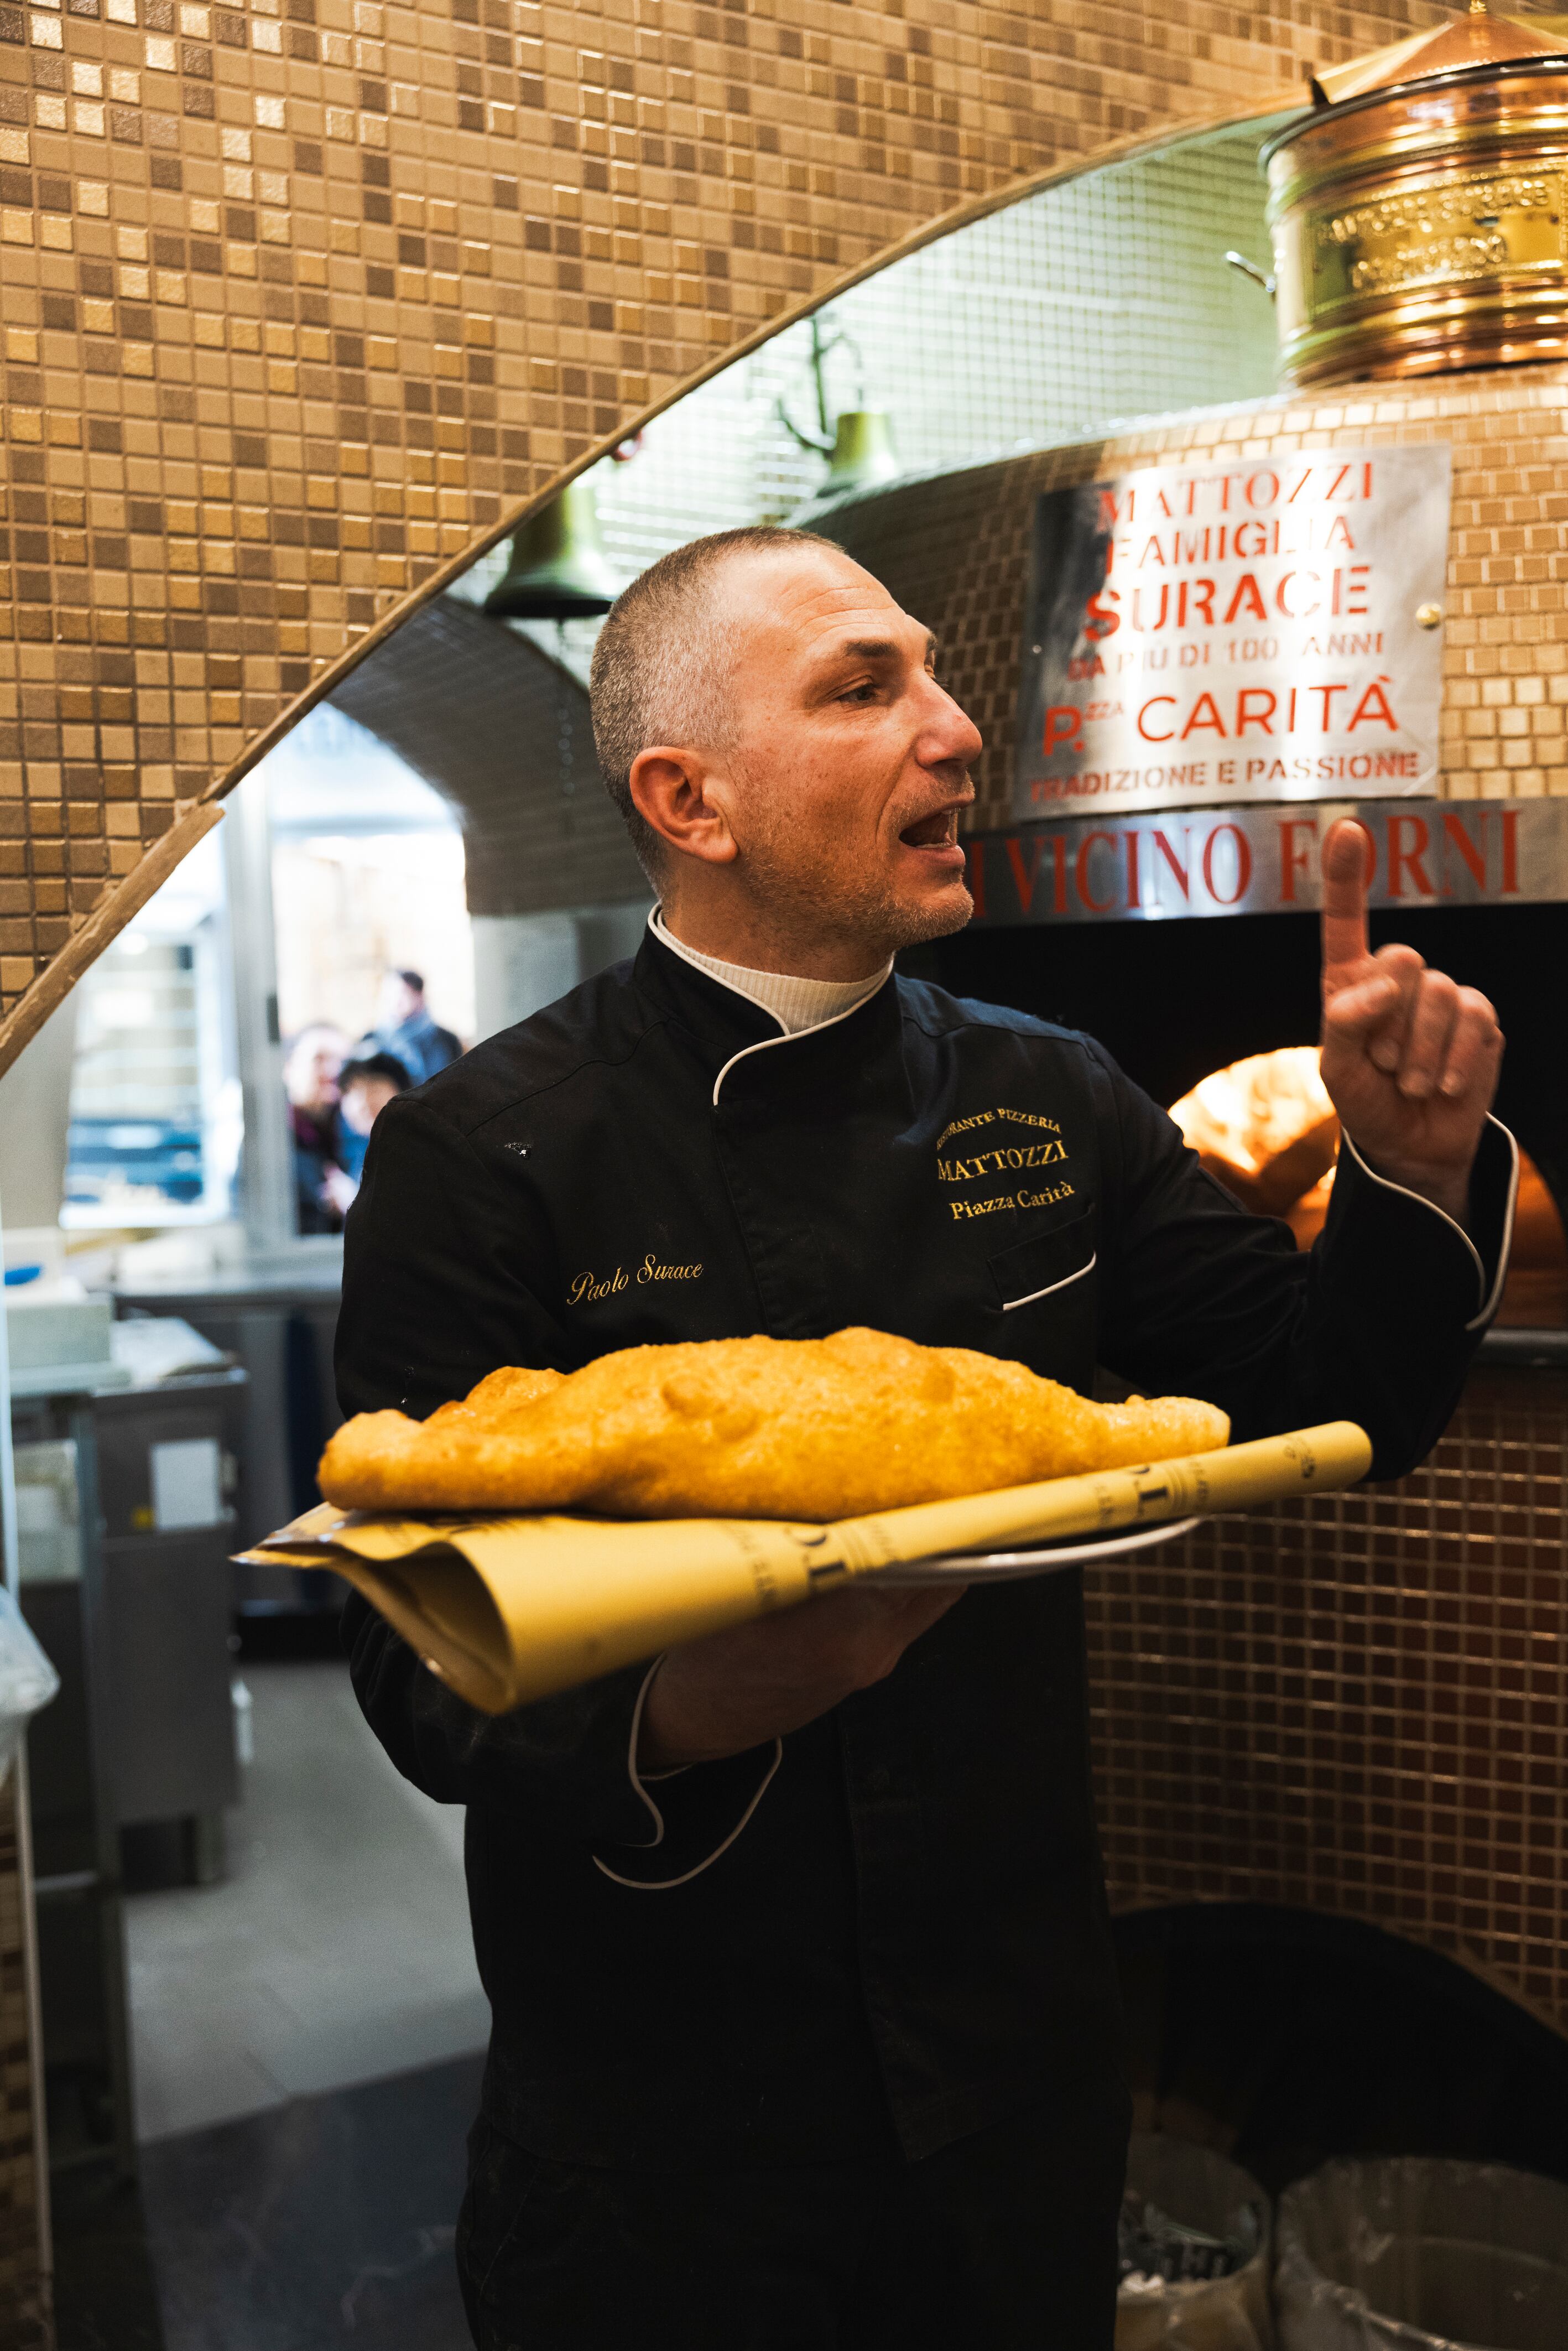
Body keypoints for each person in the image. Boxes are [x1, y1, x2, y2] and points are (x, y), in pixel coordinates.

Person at [336, 527, 1514, 2349]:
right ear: (687, 797)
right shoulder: (486, 1150)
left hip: (1009, 2092)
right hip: (659, 2130)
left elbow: (1319, 1415)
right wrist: (688, 1707)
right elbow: (407, 1664)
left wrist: (1409, 1168)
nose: (956, 732)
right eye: (861, 686)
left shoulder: (1052, 1096)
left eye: (936, 676)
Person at [283, 1023, 349, 1235]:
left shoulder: (353, 1131)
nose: (333, 1071)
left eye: (341, 1061)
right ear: (289, 1068)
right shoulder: (272, 1136)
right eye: (319, 1059)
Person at [370, 967, 462, 1086]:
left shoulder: (447, 1040)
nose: (395, 999)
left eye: (401, 992)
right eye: (389, 993)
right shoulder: (375, 1040)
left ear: (419, 995)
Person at [335, 1050, 411, 1185]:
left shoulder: (412, 1150)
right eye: (353, 1091)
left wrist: (348, 1197)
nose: (363, 1102)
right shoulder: (350, 1149)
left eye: (375, 1089)